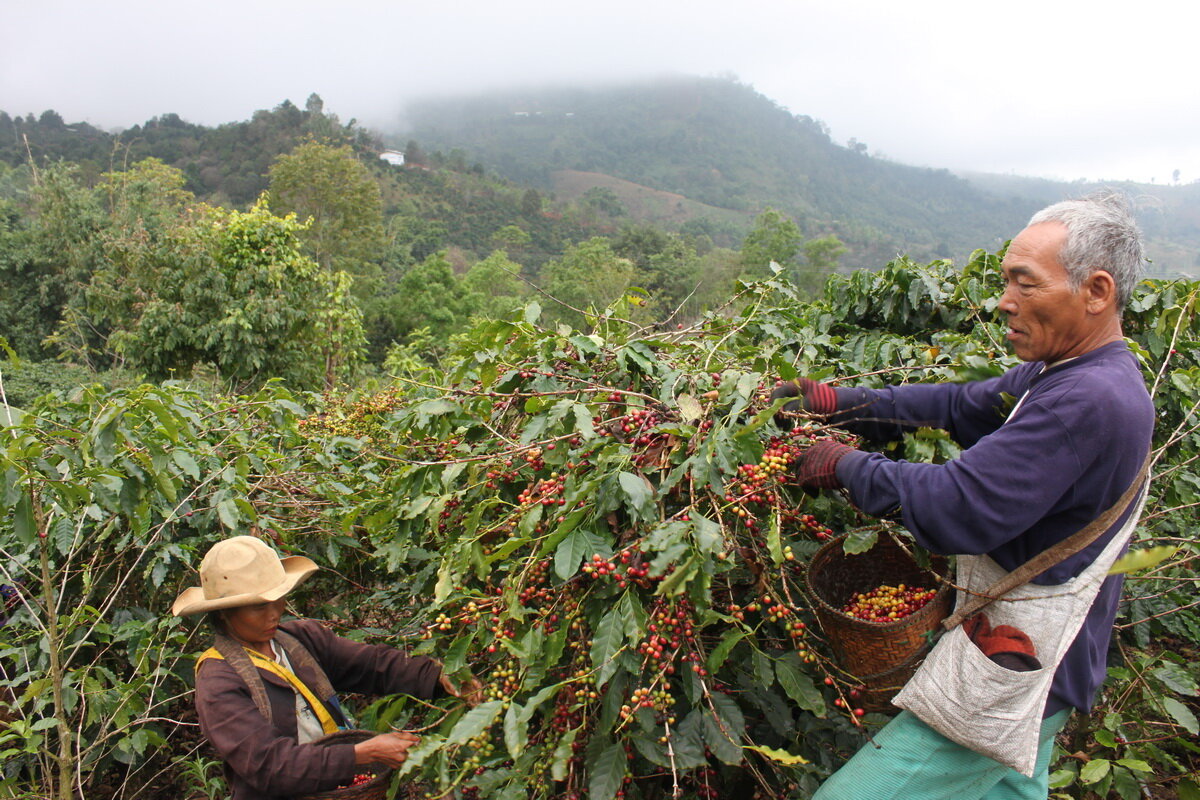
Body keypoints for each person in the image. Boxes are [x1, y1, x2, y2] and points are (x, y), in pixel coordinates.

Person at [774, 193, 1153, 799]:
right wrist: (840, 404)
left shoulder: (1089, 398)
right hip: (1049, 656)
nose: (1004, 302)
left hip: (1016, 665)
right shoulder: (1061, 372)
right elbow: (958, 406)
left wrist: (841, 465)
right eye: (1006, 282)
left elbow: (957, 507)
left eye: (1025, 285)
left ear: (1097, 291)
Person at [172, 535, 482, 800]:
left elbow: (372, 665)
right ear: (224, 614)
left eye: (278, 599)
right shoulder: (219, 680)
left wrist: (439, 676)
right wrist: (361, 754)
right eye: (259, 606)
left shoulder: (299, 640)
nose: (275, 614)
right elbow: (269, 765)